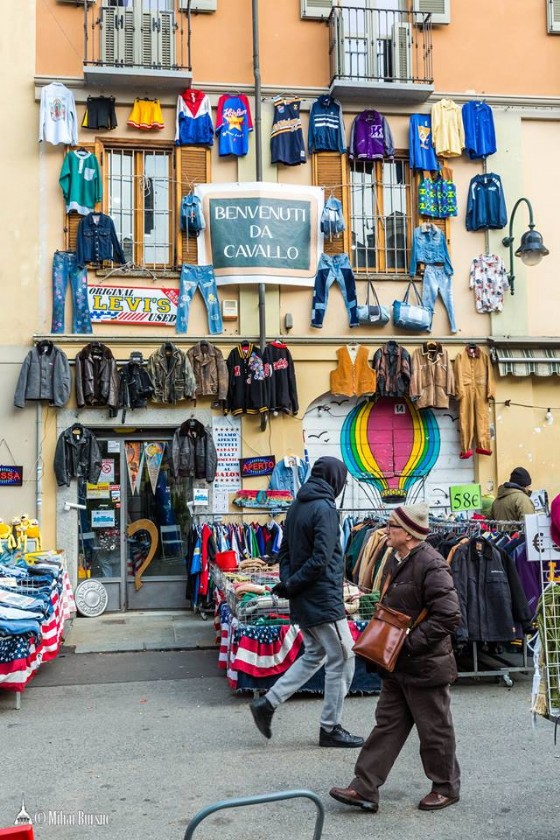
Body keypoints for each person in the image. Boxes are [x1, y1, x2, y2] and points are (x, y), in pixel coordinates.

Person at [329, 502, 461, 813]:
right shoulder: (399, 558)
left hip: (424, 664)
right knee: (387, 725)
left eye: (392, 525)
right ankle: (364, 787)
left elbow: (448, 615)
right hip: (397, 663)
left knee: (435, 730)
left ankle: (445, 787)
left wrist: (408, 644)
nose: (385, 530)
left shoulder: (432, 564)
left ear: (410, 533)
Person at [249, 456, 363, 748]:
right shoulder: (325, 508)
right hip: (322, 598)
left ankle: (268, 703)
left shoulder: (297, 506)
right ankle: (330, 728)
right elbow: (321, 559)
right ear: (335, 480)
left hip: (304, 596)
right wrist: (293, 584)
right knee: (344, 658)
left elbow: (284, 552)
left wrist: (289, 583)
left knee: (315, 654)